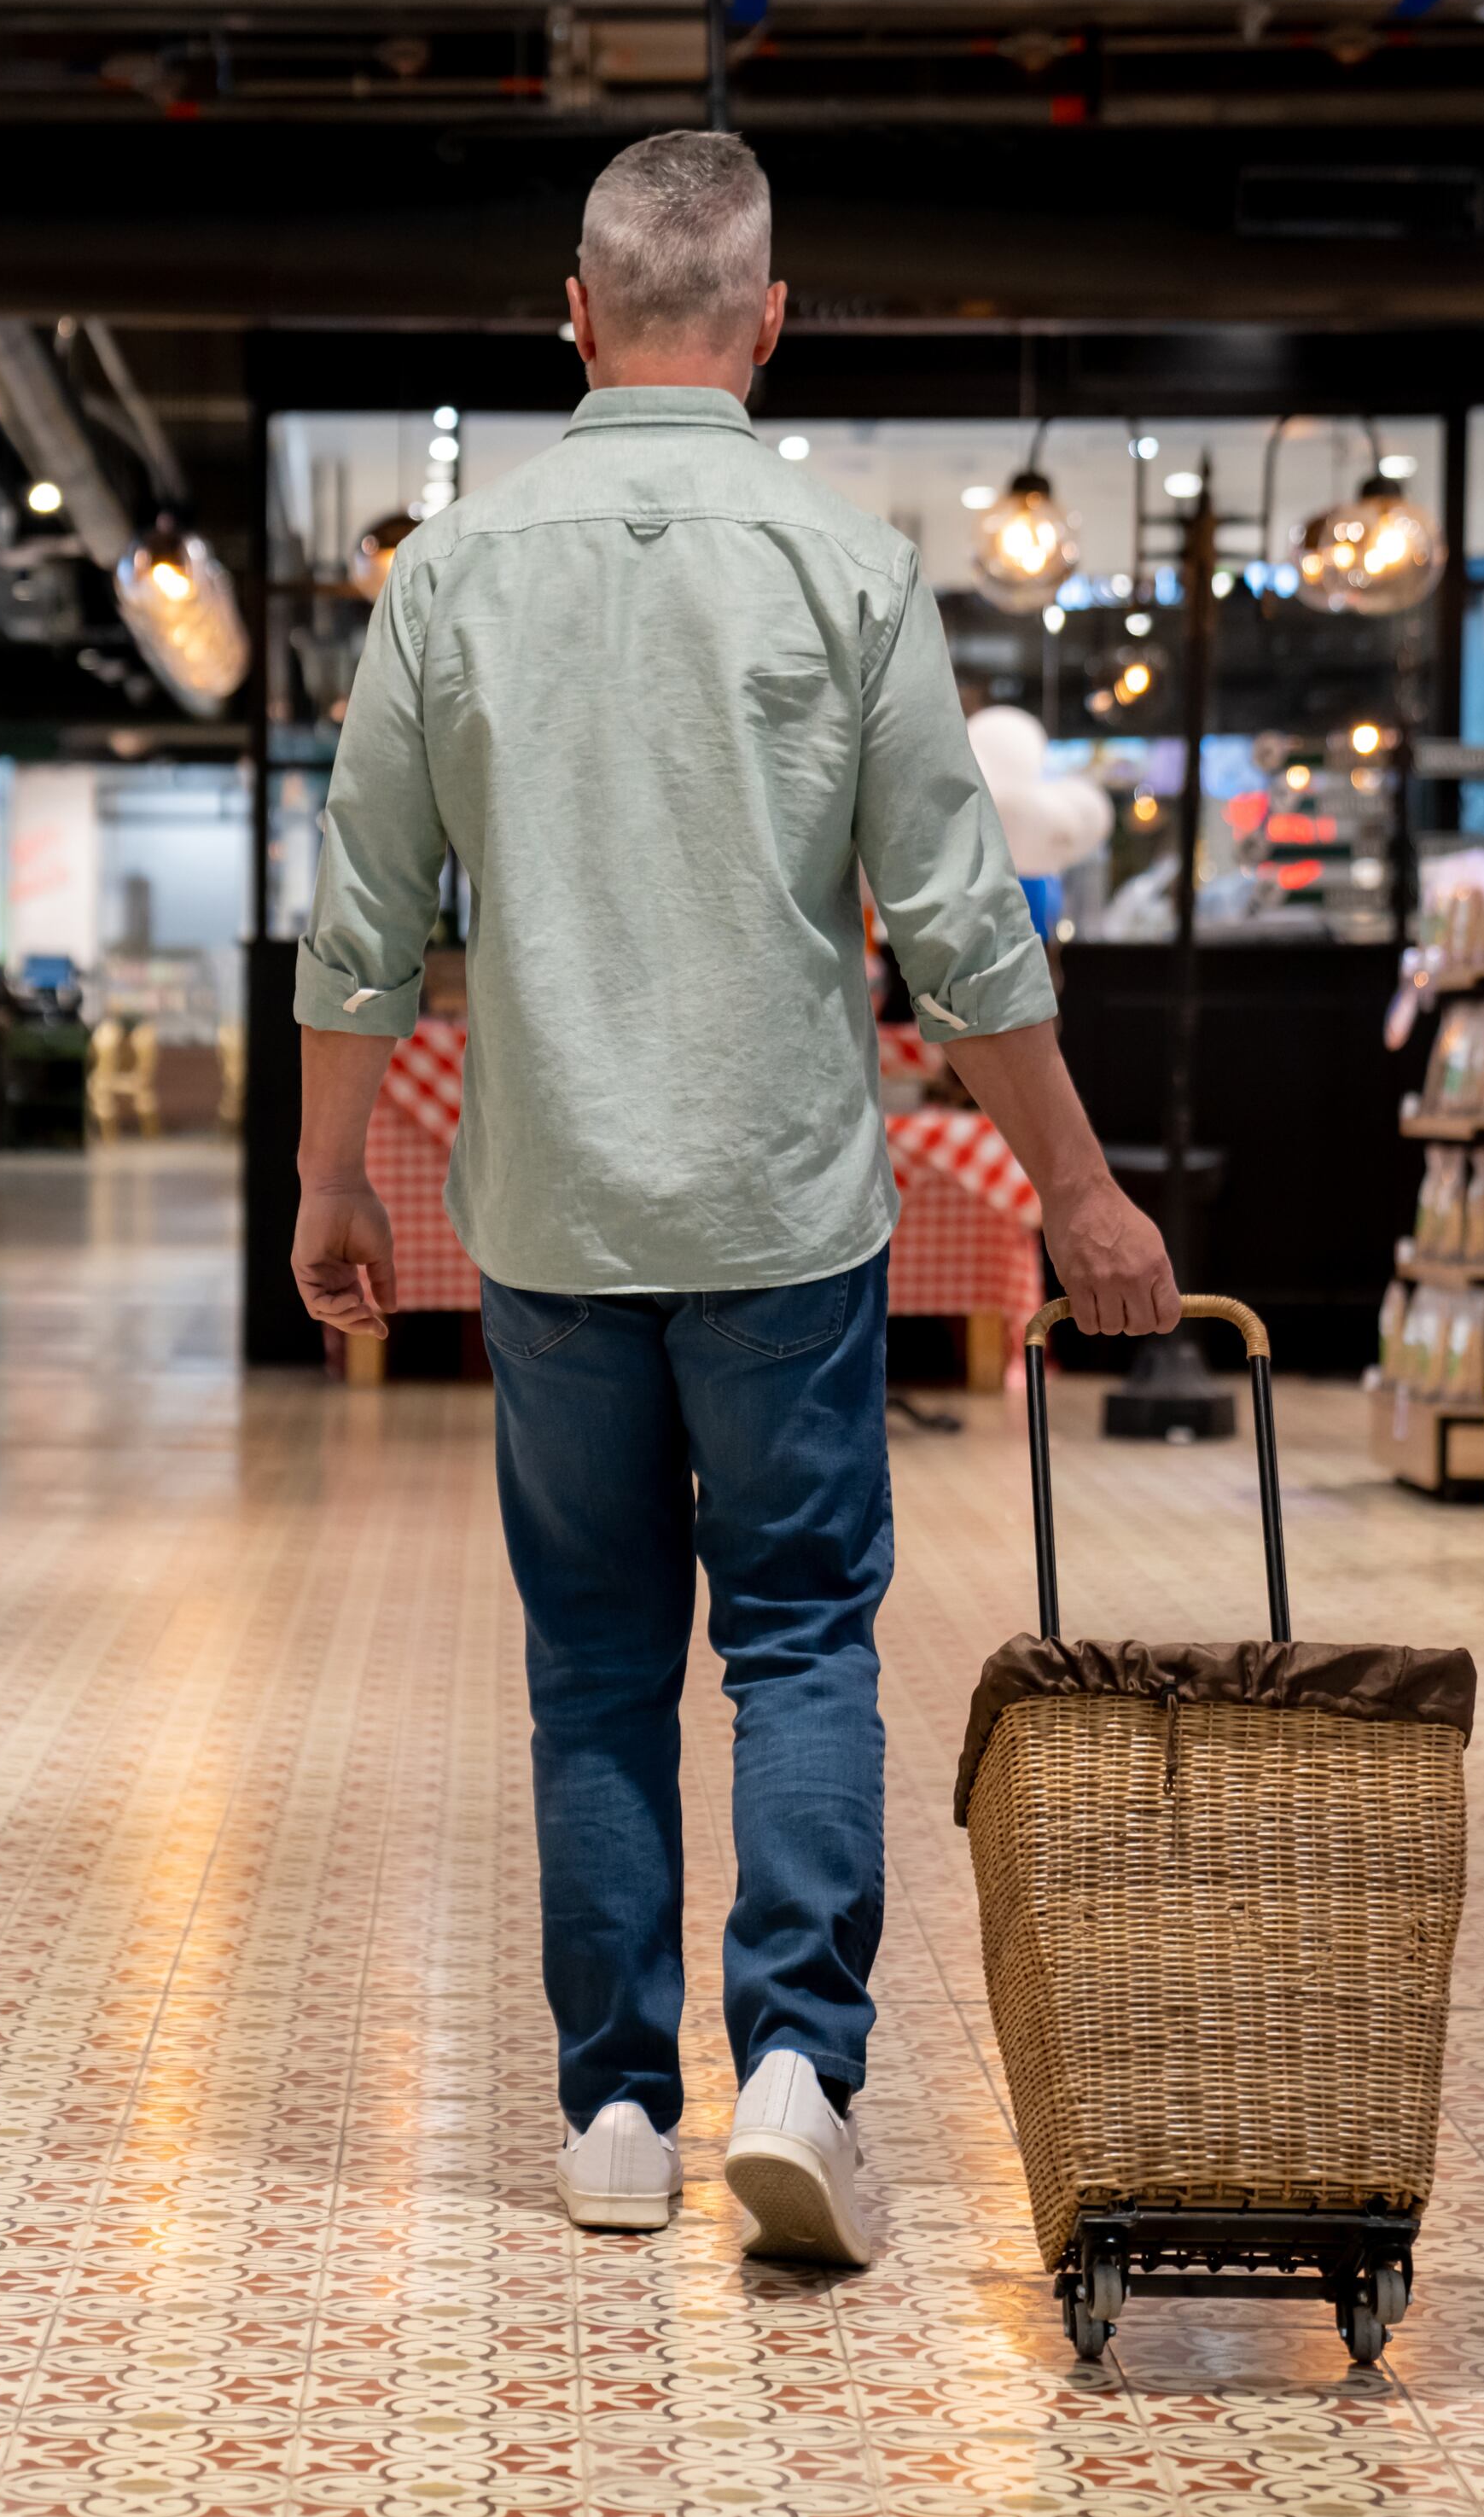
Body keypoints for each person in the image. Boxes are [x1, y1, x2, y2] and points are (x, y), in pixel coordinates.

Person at [285, 130, 1181, 2266]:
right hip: (784, 1209)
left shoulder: (452, 571)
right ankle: (796, 2073)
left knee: (594, 1658)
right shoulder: (846, 566)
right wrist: (1075, 1186)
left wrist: (334, 1176)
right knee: (797, 1642)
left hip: (550, 1212)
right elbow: (957, 925)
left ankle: (614, 2110)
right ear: (770, 321)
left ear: (573, 314)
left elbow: (360, 922)